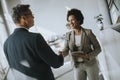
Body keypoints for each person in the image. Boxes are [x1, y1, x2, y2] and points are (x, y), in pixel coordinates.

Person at [3, 4, 63, 80]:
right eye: (31, 14)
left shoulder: (6, 43)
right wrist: (61, 55)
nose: (33, 17)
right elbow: (56, 63)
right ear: (23, 18)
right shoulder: (35, 38)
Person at [61, 8, 101, 80]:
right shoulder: (68, 35)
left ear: (79, 20)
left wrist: (88, 56)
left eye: (72, 20)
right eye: (69, 21)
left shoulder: (88, 32)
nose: (71, 23)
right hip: (77, 65)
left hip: (90, 64)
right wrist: (62, 53)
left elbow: (98, 48)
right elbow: (66, 49)